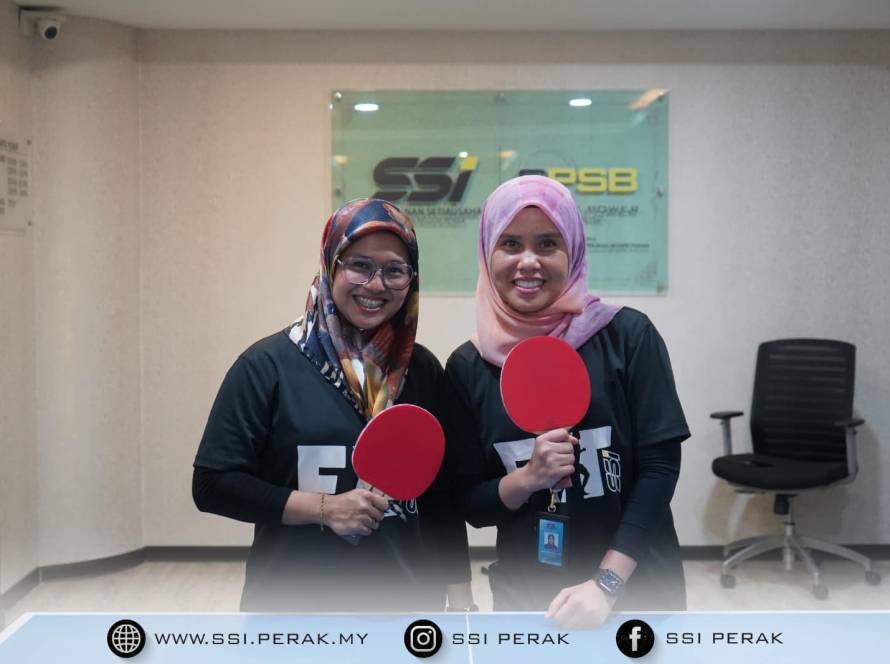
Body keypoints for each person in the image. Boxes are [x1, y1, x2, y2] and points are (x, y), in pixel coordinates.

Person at [192, 198, 471, 612]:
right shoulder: (267, 366)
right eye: (359, 265)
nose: (376, 285)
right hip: (293, 609)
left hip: (406, 608)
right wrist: (324, 509)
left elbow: (439, 499)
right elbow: (212, 485)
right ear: (330, 264)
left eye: (395, 270)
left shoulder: (423, 369)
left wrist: (463, 604)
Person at [442, 175, 689, 628]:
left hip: (638, 592)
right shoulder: (467, 367)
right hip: (528, 598)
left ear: (572, 250)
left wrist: (606, 584)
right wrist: (528, 478)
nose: (528, 261)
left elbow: (659, 470)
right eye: (510, 243)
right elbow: (471, 505)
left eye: (548, 243)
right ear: (487, 253)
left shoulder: (628, 337)